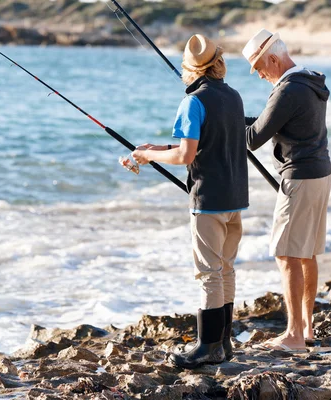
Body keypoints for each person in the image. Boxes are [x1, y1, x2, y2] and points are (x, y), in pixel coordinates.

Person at [132, 34, 249, 369]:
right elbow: (209, 144)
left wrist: (146, 156)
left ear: (189, 68)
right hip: (235, 197)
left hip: (208, 200)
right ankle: (224, 343)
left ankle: (207, 346)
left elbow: (186, 154)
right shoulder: (234, 96)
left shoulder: (192, 102)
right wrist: (152, 150)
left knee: (209, 273)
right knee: (225, 269)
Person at [242, 29, 331, 351]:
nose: (260, 75)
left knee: (287, 255)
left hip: (301, 177)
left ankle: (293, 336)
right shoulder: (308, 82)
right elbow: (271, 120)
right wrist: (231, 118)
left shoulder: (287, 90)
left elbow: (253, 139)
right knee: (305, 253)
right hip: (320, 173)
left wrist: (219, 129)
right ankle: (306, 328)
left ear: (273, 58)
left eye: (259, 68)